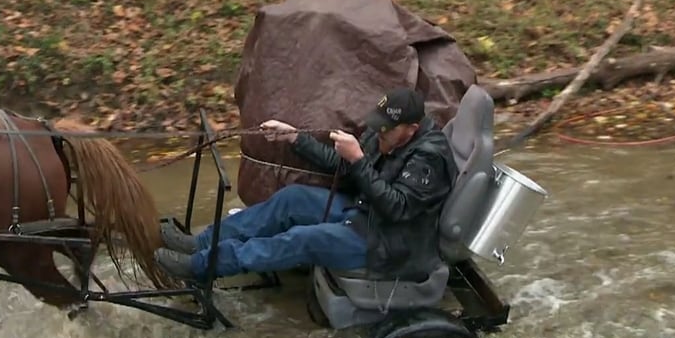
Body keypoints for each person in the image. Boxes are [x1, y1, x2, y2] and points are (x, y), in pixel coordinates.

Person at [154, 87, 459, 284]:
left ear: (411, 129)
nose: (377, 135)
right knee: (292, 199)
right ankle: (204, 241)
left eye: (384, 132)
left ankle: (202, 266)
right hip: (363, 212)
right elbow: (344, 166)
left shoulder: (429, 157)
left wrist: (358, 161)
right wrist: (295, 138)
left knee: (301, 239)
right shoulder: (387, 132)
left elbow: (397, 208)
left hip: (387, 243)